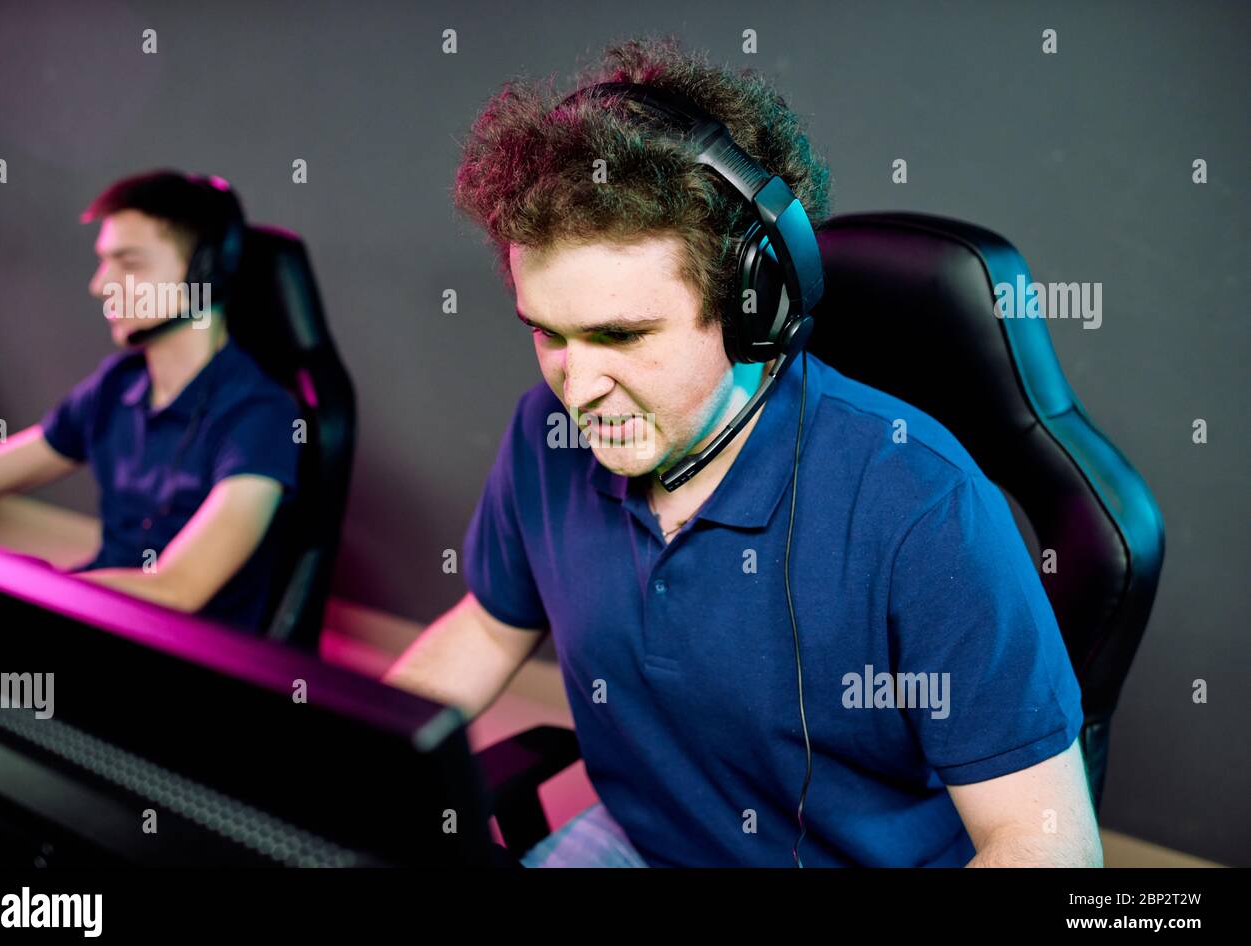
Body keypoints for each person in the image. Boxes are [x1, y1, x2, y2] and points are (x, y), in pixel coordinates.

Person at [386, 37, 1101, 867]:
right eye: (548, 332)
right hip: (640, 843)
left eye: (621, 334)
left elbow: (1045, 843)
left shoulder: (921, 506)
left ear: (750, 307)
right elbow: (483, 627)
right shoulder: (543, 437)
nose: (576, 388)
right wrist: (337, 766)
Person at [0, 171, 301, 634]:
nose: (100, 286)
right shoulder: (116, 386)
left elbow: (179, 588)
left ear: (203, 274)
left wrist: (37, 589)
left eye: (129, 265)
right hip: (95, 620)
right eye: (103, 263)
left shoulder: (261, 415)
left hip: (183, 658)